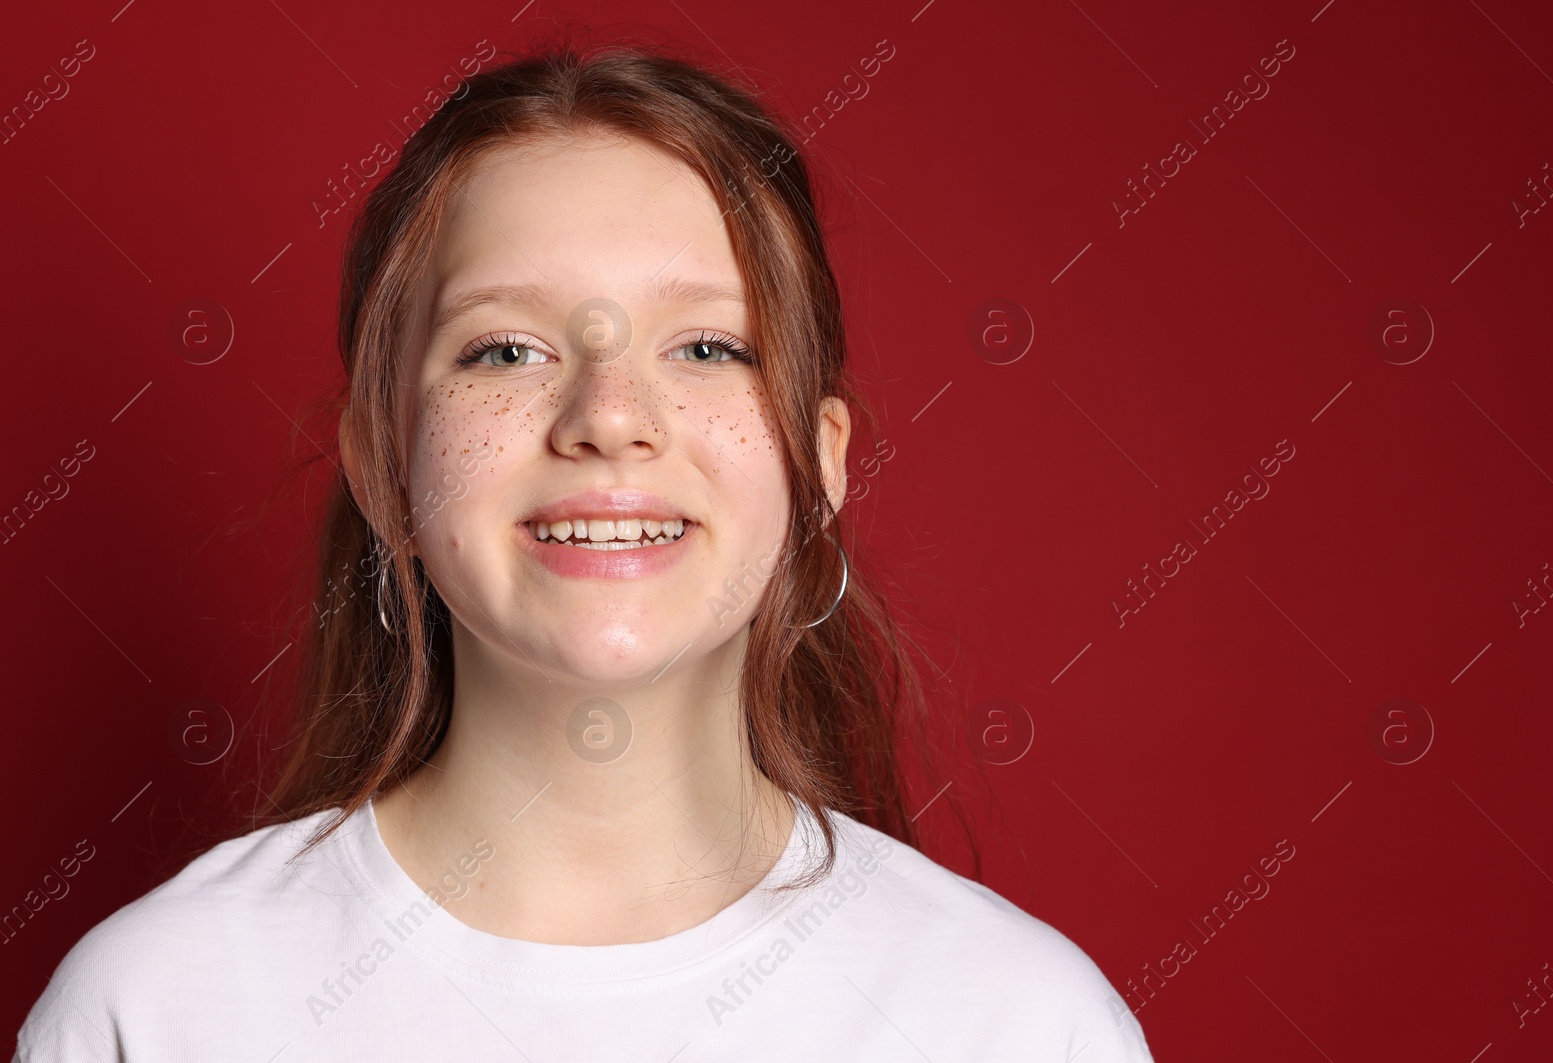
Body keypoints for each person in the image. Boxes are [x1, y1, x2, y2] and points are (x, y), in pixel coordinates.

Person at [13, 39, 1156, 1062]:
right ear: (380, 460)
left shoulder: (1018, 1024)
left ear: (820, 463)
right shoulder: (153, 1011)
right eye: (504, 351)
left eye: (708, 345)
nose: (608, 414)